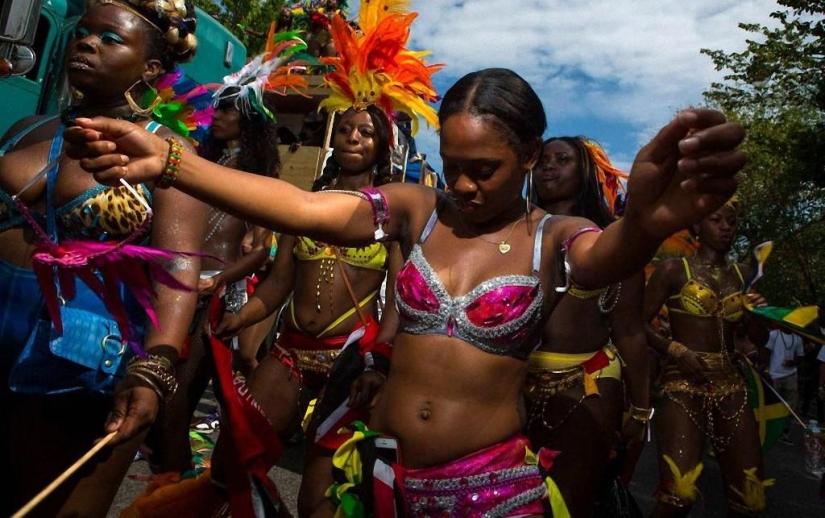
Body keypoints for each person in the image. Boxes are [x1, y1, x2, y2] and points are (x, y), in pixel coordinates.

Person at [66, 63, 745, 517]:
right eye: (453, 167)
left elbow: (604, 260)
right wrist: (174, 162)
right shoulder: (418, 209)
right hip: (382, 477)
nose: (465, 186)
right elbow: (300, 209)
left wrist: (648, 225)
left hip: (490, 494)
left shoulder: (555, 236)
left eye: (484, 169)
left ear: (531, 155)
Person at [0, 0, 206, 517]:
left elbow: (180, 277)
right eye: (84, 32)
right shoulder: (25, 129)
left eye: (111, 38)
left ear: (151, 67)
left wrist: (153, 373)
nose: (87, 42)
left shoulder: (168, 153)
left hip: (78, 363)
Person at [212, 103, 403, 515]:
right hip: (290, 352)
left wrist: (379, 361)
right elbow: (279, 282)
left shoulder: (393, 216)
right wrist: (240, 318)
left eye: (366, 133)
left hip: (350, 360)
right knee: (234, 457)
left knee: (319, 493)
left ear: (382, 146)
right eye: (346, 130)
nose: (353, 137)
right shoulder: (302, 205)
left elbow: (400, 301)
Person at [145, 82, 282, 475]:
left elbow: (259, 250)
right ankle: (174, 487)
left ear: (248, 121)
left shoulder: (259, 175)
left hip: (214, 296)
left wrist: (218, 280)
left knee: (177, 402)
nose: (216, 117)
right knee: (153, 390)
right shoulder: (199, 162)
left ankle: (178, 493)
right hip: (174, 285)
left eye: (228, 111)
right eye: (217, 110)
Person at [525, 136, 650, 517]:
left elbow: (629, 329)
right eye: (543, 159)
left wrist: (642, 410)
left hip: (587, 382)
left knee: (567, 503)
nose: (548, 166)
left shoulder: (612, 242)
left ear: (586, 174)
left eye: (562, 159)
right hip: (511, 385)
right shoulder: (511, 234)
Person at [643, 198, 773, 517]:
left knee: (749, 496)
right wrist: (676, 350)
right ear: (698, 225)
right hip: (682, 384)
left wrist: (757, 313)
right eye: (717, 220)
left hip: (731, 384)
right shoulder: (673, 270)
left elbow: (760, 338)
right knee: (678, 494)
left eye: (732, 221)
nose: (726, 227)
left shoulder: (743, 276)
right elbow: (635, 323)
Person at [762, 329, 804, 443]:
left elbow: (800, 356)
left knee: (791, 405)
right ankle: (771, 430)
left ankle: (784, 431)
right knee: (774, 404)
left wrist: (793, 362)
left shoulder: (798, 339)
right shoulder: (774, 334)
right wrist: (766, 369)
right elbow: (766, 351)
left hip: (790, 375)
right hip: (774, 374)